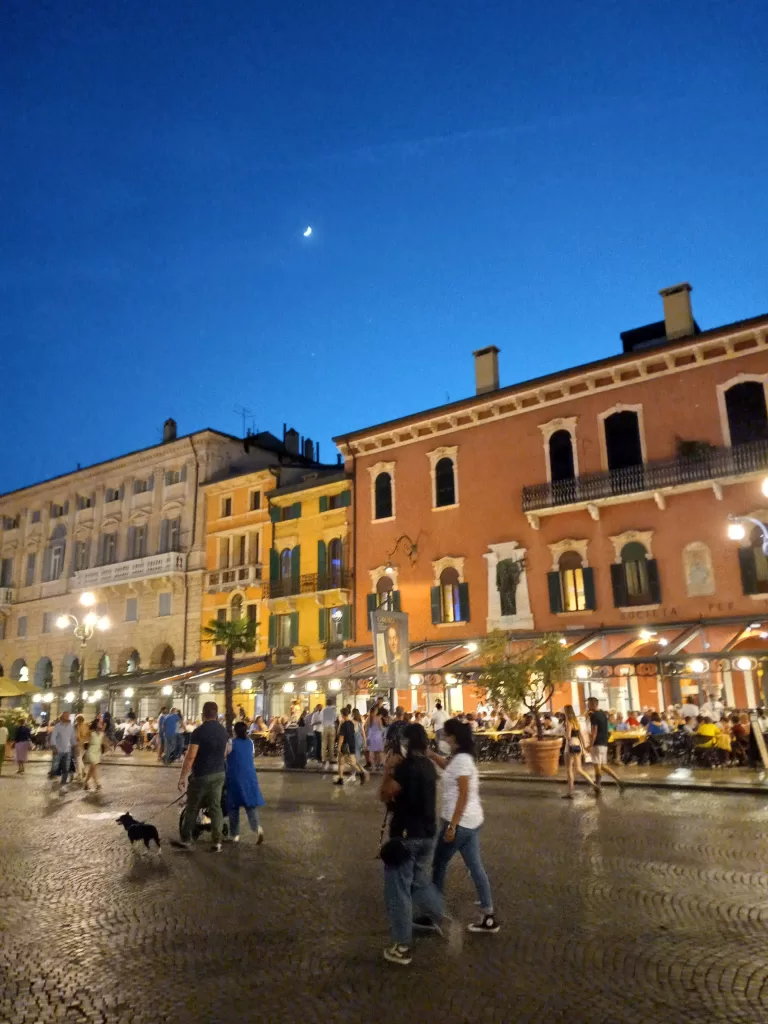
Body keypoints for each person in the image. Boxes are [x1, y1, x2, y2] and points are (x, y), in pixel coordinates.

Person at [379, 723, 445, 966]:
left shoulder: (405, 768)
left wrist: (388, 771)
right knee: (419, 881)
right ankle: (437, 913)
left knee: (398, 891)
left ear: (405, 742)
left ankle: (402, 945)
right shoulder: (428, 765)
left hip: (407, 836)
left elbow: (386, 794)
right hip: (428, 832)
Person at [429, 718, 500, 933]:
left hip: (459, 822)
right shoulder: (461, 758)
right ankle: (488, 915)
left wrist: (452, 826)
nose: (443, 738)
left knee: (439, 864)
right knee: (475, 867)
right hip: (472, 822)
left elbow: (463, 794)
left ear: (454, 738)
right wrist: (431, 755)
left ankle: (434, 913)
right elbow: (446, 765)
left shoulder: (461, 761)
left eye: (446, 735)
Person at [177, 701, 229, 852]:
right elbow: (225, 754)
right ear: (216, 714)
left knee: (192, 807)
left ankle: (187, 839)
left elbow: (190, 756)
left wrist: (182, 777)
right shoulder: (223, 731)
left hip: (201, 775)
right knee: (215, 807)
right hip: (219, 774)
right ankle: (217, 841)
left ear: (203, 714)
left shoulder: (198, 732)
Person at [225, 721, 265, 843]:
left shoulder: (231, 742)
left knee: (233, 806)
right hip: (250, 777)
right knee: (250, 805)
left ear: (235, 731)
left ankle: (235, 835)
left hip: (234, 776)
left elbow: (224, 756)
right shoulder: (250, 742)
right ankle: (257, 828)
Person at [562, 704, 599, 798]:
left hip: (570, 745)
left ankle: (570, 792)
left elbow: (568, 736)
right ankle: (593, 784)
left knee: (569, 769)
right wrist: (584, 747)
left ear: (566, 712)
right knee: (579, 769)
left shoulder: (568, 722)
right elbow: (581, 735)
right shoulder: (576, 722)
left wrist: (564, 734)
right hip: (578, 744)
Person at [586, 697, 623, 792]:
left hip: (597, 743)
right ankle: (618, 779)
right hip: (604, 743)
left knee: (597, 766)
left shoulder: (594, 716)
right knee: (603, 765)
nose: (587, 706)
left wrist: (590, 745)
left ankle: (598, 786)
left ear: (593, 704)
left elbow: (594, 731)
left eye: (589, 704)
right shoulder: (603, 714)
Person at [334, 708, 368, 786]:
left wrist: (338, 747)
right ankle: (340, 779)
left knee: (349, 763)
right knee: (342, 762)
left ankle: (361, 774)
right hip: (351, 745)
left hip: (345, 746)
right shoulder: (351, 723)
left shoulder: (344, 724)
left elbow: (341, 736)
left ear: (342, 715)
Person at [49, 711, 76, 793]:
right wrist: (54, 747)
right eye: (66, 716)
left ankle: (63, 784)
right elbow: (53, 737)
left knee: (66, 769)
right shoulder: (57, 726)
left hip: (68, 751)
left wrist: (75, 747)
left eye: (68, 716)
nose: (67, 718)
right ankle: (53, 774)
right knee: (55, 767)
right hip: (58, 750)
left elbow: (72, 738)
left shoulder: (71, 727)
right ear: (62, 718)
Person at [84, 718, 105, 791]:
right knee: (93, 766)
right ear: (96, 724)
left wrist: (109, 747)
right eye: (100, 723)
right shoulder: (91, 732)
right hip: (91, 751)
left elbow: (103, 742)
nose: (101, 724)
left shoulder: (102, 733)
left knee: (92, 769)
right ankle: (97, 783)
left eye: (101, 723)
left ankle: (86, 783)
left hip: (97, 752)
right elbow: (85, 740)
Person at [366, 705, 385, 771]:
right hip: (378, 737)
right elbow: (381, 728)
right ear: (375, 711)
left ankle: (373, 766)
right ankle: (383, 764)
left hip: (371, 737)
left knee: (371, 752)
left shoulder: (368, 718)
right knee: (380, 752)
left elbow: (367, 728)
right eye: (377, 710)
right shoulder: (378, 718)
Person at [320, 699, 338, 770]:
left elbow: (321, 719)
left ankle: (323, 759)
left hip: (324, 727)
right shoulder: (333, 710)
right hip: (331, 727)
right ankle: (331, 758)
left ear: (326, 703)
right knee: (331, 744)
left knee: (324, 744)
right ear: (331, 703)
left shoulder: (323, 710)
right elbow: (335, 719)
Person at [74, 713, 90, 781]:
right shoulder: (87, 725)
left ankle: (80, 774)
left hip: (79, 744)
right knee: (80, 758)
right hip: (86, 744)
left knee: (78, 759)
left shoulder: (79, 726)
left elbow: (77, 737)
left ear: (78, 720)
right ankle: (82, 772)